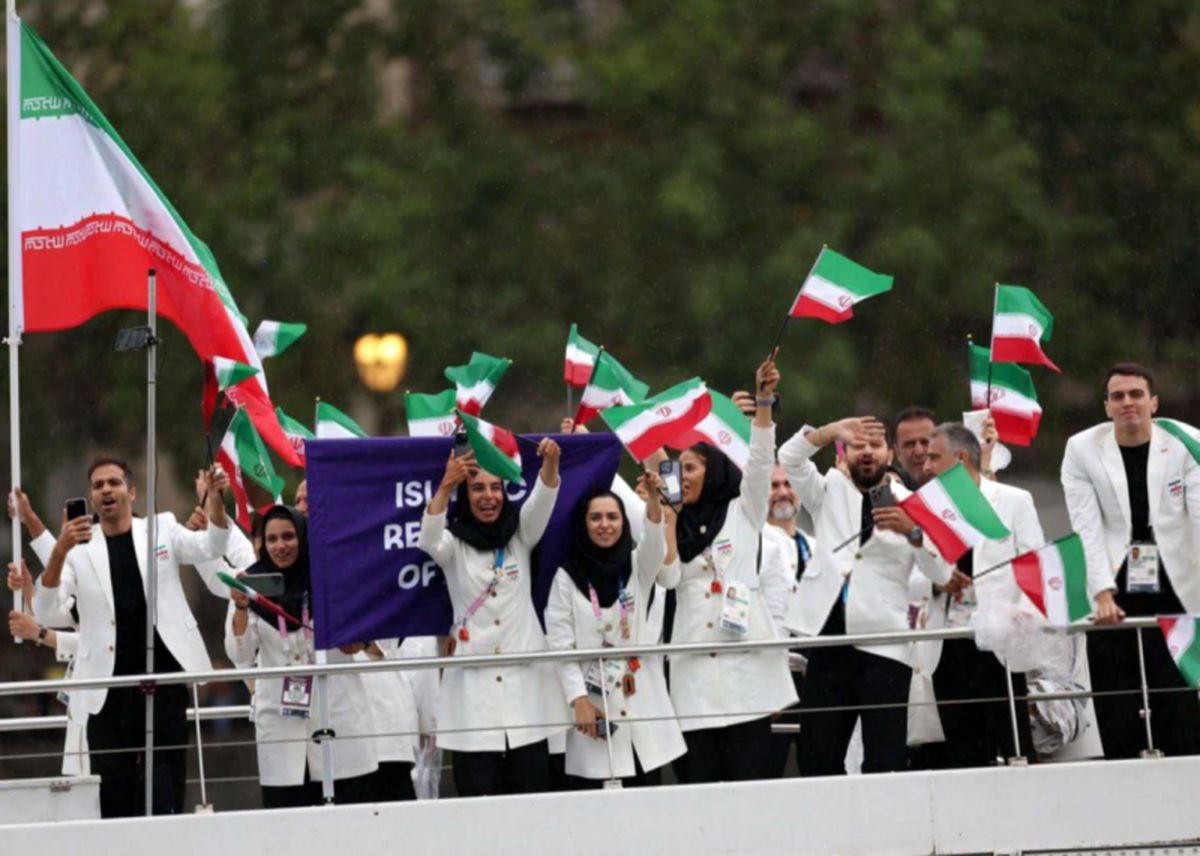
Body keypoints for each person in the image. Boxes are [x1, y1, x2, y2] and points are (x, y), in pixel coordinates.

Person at [32, 458, 232, 817]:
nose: (106, 490)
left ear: (132, 491)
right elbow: (46, 612)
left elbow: (212, 547)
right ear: (92, 498)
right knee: (113, 798)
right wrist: (59, 549)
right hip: (108, 691)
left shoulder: (161, 528)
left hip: (164, 681)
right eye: (98, 485)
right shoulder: (77, 550)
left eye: (114, 482)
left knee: (166, 792)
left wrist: (216, 500)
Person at [779, 415, 957, 776]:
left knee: (885, 761)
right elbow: (789, 457)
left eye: (875, 446)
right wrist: (831, 430)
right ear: (843, 454)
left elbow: (942, 572)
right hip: (829, 641)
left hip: (885, 646)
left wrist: (914, 533)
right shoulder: (828, 489)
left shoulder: (914, 504)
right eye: (857, 445)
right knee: (817, 757)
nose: (866, 453)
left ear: (889, 454)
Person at [664, 357, 797, 784]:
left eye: (690, 467)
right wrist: (662, 515)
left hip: (748, 680)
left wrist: (763, 405)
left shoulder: (744, 510)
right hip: (693, 684)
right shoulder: (669, 523)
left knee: (750, 789)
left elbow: (759, 462)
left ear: (714, 469)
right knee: (698, 791)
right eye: (678, 469)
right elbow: (665, 576)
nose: (682, 476)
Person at [1060, 363, 1200, 758]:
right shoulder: (1081, 449)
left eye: (1136, 394)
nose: (1127, 403)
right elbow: (1086, 528)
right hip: (1113, 579)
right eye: (1117, 396)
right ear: (1106, 406)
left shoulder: (1187, 441)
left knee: (1179, 701)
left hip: (1178, 579)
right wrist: (1102, 594)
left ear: (1154, 403)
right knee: (1116, 702)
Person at [417, 437, 568, 797]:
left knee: (532, 804)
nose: (488, 496)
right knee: (478, 806)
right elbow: (428, 539)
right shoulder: (454, 545)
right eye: (478, 488)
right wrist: (446, 484)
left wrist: (550, 462)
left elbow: (543, 498)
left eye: (495, 488)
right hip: (472, 704)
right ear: (466, 496)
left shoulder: (520, 536)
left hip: (527, 701)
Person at [226, 505, 379, 807]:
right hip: (281, 722)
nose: (280, 546)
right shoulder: (251, 585)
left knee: (348, 815)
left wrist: (360, 642)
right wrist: (242, 607)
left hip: (337, 714)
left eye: (289, 536)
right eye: (272, 539)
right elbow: (240, 652)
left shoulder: (329, 578)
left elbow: (368, 637)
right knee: (287, 815)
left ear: (304, 538)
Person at [545, 475, 686, 786]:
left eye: (613, 517)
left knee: (647, 803)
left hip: (642, 710)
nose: (605, 525)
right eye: (595, 518)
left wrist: (653, 502)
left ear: (624, 522)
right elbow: (561, 646)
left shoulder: (638, 565)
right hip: (594, 709)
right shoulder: (566, 577)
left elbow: (654, 545)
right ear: (583, 524)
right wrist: (579, 699)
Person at [922, 423, 1043, 766]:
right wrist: (937, 582)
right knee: (963, 756)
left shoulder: (1015, 500)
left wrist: (1023, 613)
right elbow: (913, 572)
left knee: (1016, 749)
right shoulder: (927, 507)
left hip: (999, 642)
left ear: (960, 458)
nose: (926, 466)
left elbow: (1036, 564)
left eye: (934, 457)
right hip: (948, 643)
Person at [761, 464, 818, 775]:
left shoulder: (815, 544)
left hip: (813, 667)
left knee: (816, 759)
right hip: (774, 665)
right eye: (773, 485)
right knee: (770, 761)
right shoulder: (757, 540)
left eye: (788, 484)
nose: (782, 492)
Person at [891, 406, 937, 489]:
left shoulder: (959, 488)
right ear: (897, 452)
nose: (919, 452)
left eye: (925, 442)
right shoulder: (889, 492)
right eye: (909, 444)